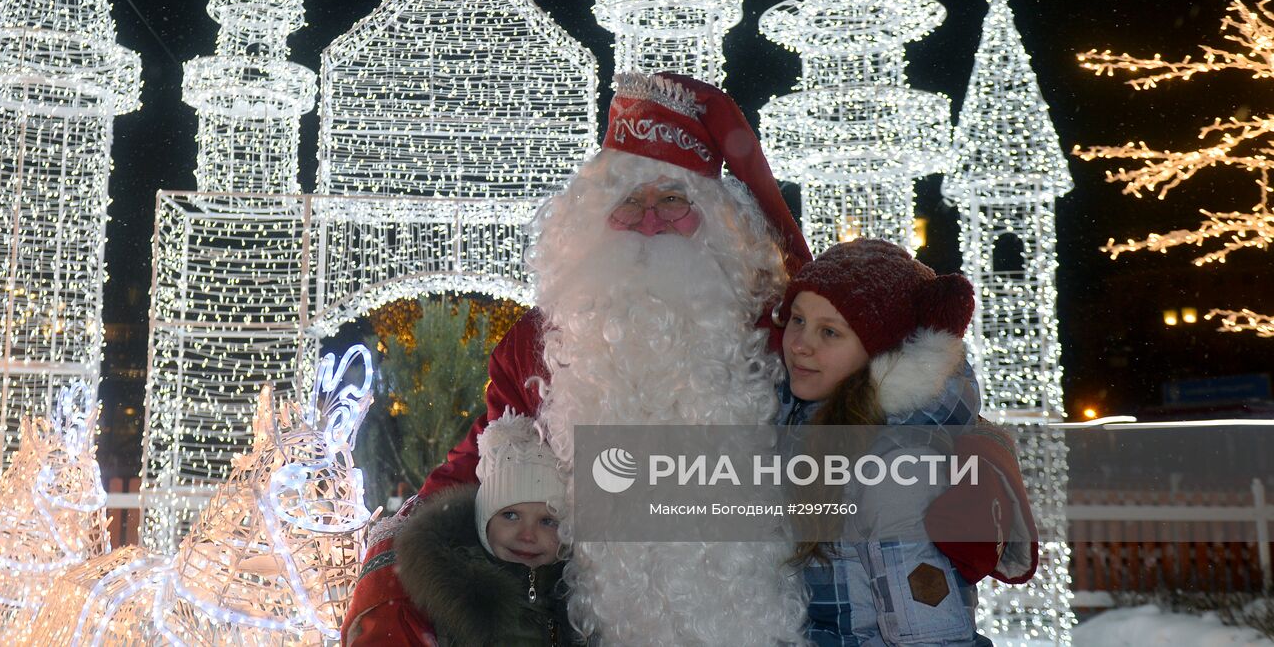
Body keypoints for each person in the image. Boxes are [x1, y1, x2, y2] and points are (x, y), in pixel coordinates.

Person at [343, 73, 1035, 646]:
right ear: (587, 226)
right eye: (629, 202)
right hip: (600, 621)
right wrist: (396, 560)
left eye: (674, 202)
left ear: (718, 226)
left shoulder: (780, 330)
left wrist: (979, 470)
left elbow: (895, 377)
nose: (650, 220)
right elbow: (477, 463)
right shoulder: (538, 346)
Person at [776, 238, 1034, 646]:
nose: (800, 344)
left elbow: (933, 638)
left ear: (880, 351)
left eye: (830, 331)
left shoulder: (895, 469)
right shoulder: (814, 427)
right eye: (796, 319)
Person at [389, 410, 577, 647]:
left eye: (547, 521)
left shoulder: (578, 600)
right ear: (483, 521)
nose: (527, 535)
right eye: (510, 515)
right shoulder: (455, 597)